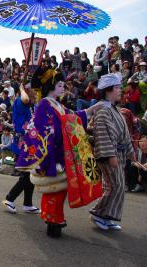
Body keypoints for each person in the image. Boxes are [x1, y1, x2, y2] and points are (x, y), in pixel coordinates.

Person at [15, 68, 101, 238]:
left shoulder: (57, 105)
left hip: (60, 151)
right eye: (60, 85)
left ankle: (56, 218)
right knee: (53, 188)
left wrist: (90, 110)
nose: (63, 88)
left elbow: (71, 117)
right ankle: (52, 220)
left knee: (59, 189)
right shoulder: (44, 104)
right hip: (50, 152)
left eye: (63, 85)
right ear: (51, 87)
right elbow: (41, 128)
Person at [90, 74, 136, 231]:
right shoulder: (103, 111)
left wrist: (130, 152)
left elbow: (125, 134)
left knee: (119, 185)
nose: (119, 90)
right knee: (113, 185)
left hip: (119, 154)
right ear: (107, 90)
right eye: (116, 88)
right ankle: (98, 213)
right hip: (110, 154)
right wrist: (110, 155)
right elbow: (102, 135)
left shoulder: (114, 109)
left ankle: (108, 216)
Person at [3, 83, 41, 215]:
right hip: (22, 143)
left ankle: (28, 204)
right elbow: (25, 99)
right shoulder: (20, 101)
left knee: (30, 173)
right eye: (33, 91)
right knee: (26, 174)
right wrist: (20, 89)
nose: (36, 94)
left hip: (31, 144)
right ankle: (10, 198)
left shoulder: (33, 106)